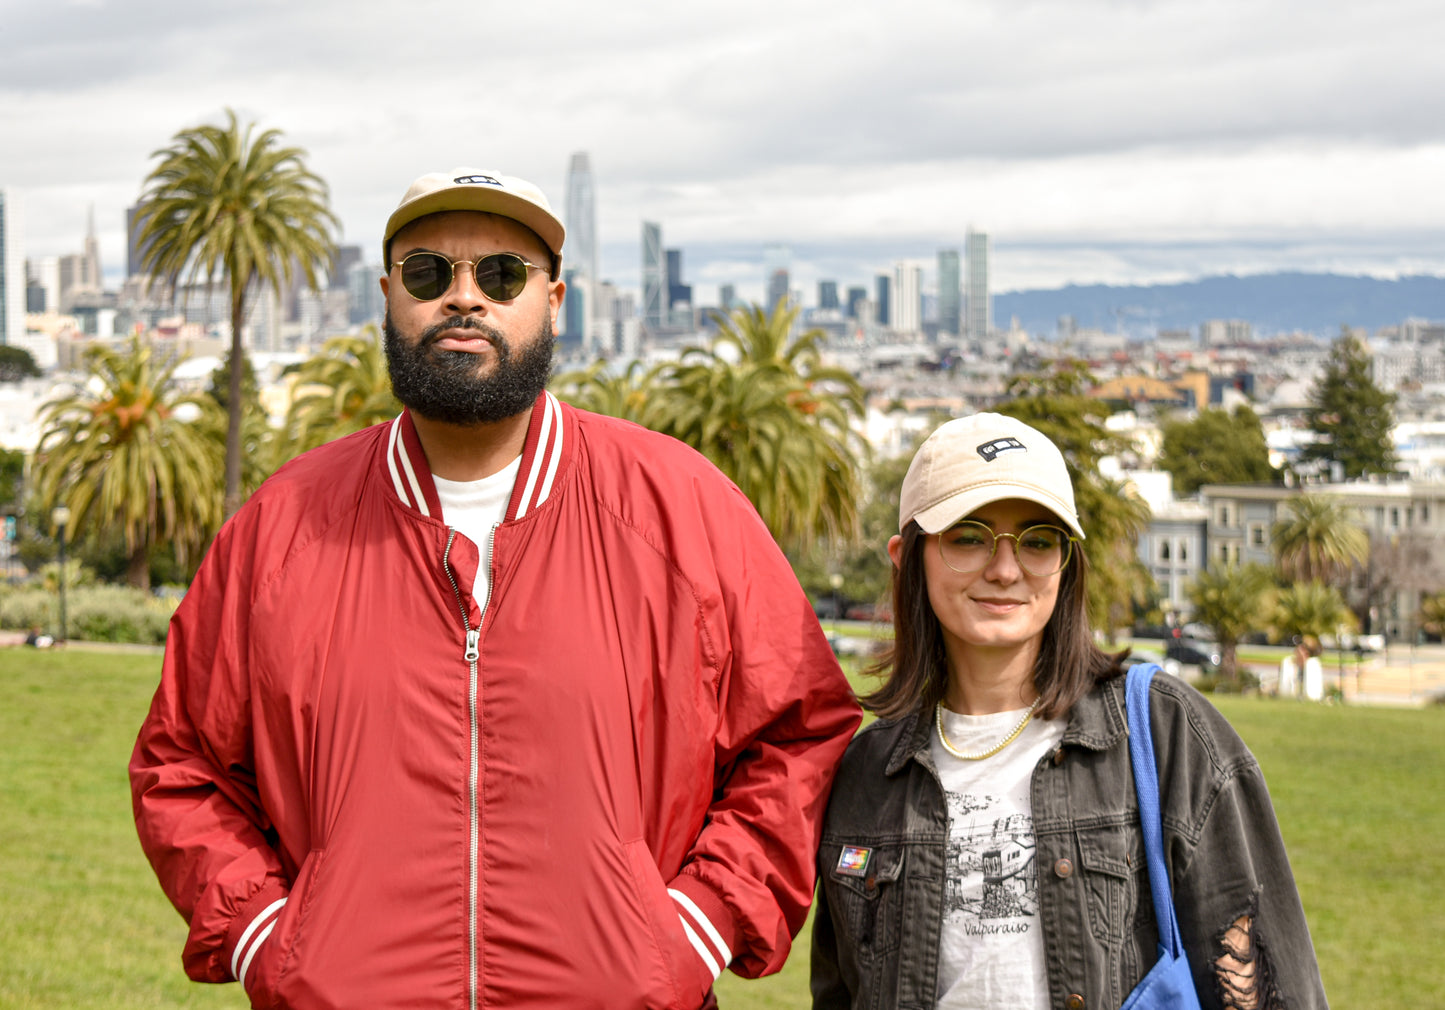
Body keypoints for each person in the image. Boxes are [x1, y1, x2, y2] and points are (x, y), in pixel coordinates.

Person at [130, 168, 862, 1009]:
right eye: (429, 273)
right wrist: (271, 939)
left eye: (501, 275)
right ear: (387, 296)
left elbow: (799, 731)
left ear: (554, 300)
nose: (464, 298)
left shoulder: (679, 508)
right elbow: (180, 761)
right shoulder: (285, 525)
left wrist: (695, 927)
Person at [810, 413, 1327, 1010]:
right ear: (909, 556)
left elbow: (1272, 988)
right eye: (969, 536)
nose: (1005, 570)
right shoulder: (864, 776)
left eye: (1036, 540)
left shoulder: (1163, 736)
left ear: (1066, 562)